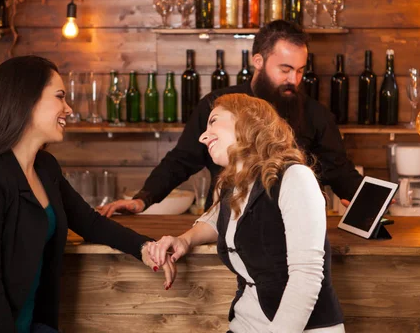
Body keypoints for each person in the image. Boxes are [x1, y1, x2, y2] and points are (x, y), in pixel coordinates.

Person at [0, 56, 175, 333]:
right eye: (60, 97)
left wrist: (144, 248)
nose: (68, 109)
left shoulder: (45, 168)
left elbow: (90, 223)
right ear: (26, 100)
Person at [98, 20, 362, 217]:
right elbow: (181, 160)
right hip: (226, 224)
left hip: (294, 230)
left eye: (300, 71)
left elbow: (339, 171)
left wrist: (368, 202)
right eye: (285, 69)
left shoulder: (316, 115)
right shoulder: (218, 106)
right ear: (258, 60)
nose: (294, 80)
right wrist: (143, 199)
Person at [148, 93, 345, 332]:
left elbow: (307, 277)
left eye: (213, 121)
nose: (202, 136)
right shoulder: (231, 184)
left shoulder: (295, 177)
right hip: (245, 324)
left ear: (246, 120)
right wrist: (183, 239)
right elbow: (219, 219)